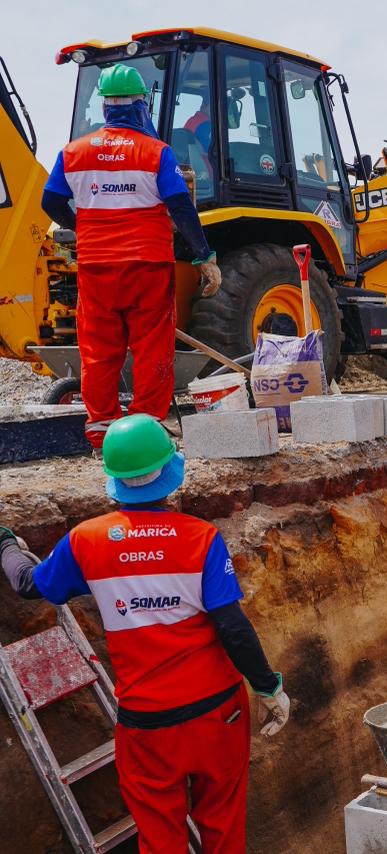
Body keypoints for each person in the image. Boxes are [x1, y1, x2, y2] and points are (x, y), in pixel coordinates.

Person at [1, 415, 288, 852]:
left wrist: (6, 544)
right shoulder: (202, 539)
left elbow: (30, 585)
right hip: (218, 715)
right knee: (223, 824)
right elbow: (231, 625)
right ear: (169, 475)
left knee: (160, 837)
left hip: (148, 726)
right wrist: (269, 687)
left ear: (114, 480)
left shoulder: (87, 541)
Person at [40, 64, 222, 449]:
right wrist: (204, 256)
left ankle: (101, 429)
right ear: (141, 105)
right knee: (151, 347)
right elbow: (180, 207)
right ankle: (146, 428)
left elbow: (50, 201)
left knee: (99, 350)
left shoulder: (73, 153)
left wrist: (81, 224)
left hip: (97, 268)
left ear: (105, 107)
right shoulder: (156, 153)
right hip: (147, 267)